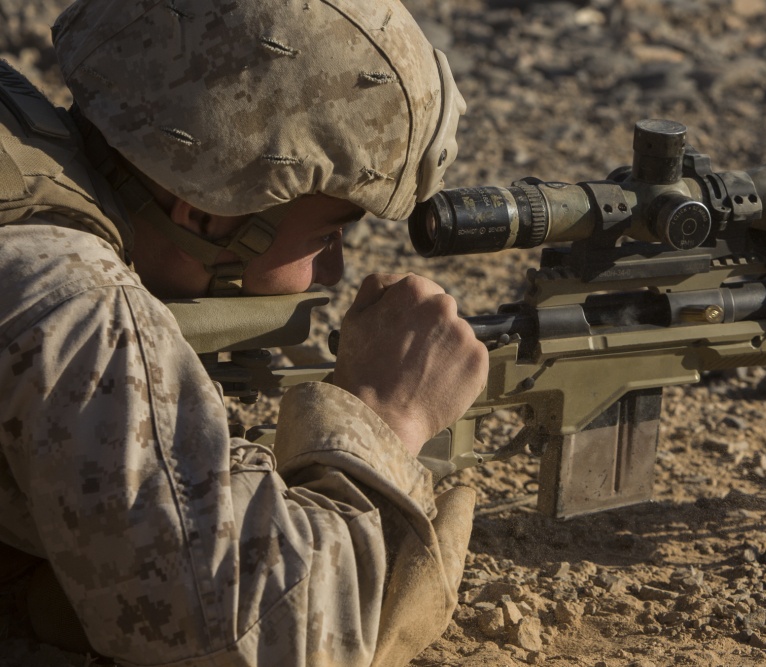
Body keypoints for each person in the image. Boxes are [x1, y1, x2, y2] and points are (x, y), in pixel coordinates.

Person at [0, 1, 489, 665]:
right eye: (326, 234)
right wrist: (385, 423)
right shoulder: (76, 307)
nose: (337, 268)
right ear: (204, 210)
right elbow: (256, 633)